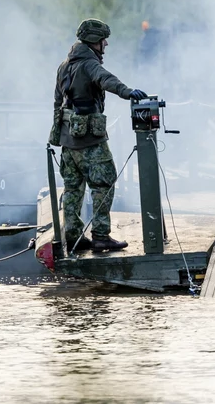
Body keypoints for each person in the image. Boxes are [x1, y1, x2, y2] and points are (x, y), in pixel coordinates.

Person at [51, 19, 146, 253]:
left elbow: (57, 102)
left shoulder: (64, 65)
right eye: (104, 40)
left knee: (73, 188)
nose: (106, 44)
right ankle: (101, 235)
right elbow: (107, 79)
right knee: (104, 183)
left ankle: (73, 237)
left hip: (67, 141)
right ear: (94, 41)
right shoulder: (89, 64)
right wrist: (128, 92)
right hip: (90, 141)